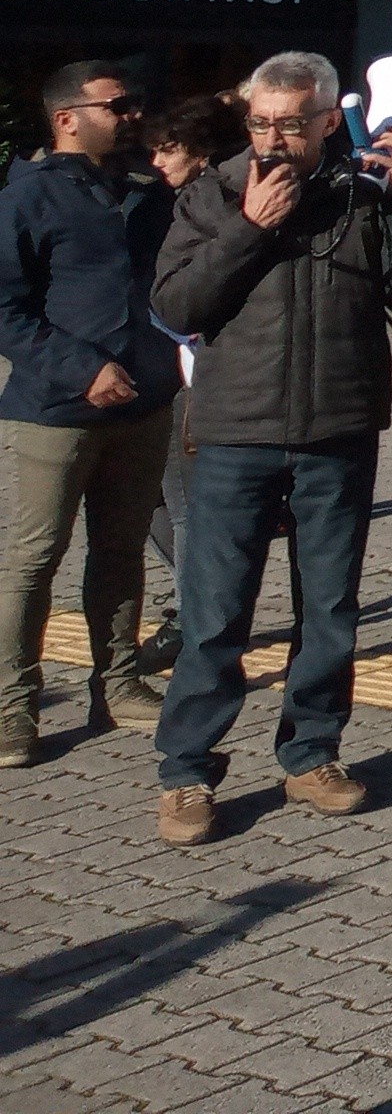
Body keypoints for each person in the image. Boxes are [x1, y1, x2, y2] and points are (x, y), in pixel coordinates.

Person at [149, 52, 392, 846]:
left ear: (325, 121)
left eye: (292, 123)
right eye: (261, 122)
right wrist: (250, 229)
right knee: (215, 614)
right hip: (235, 433)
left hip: (337, 431)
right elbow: (174, 304)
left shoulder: (362, 192)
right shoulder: (212, 194)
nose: (275, 138)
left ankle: (311, 752)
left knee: (331, 609)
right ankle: (186, 770)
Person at [0, 62, 185, 766]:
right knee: (35, 557)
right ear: (67, 118)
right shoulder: (27, 199)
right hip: (57, 411)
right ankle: (13, 706)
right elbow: (6, 311)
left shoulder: (141, 191)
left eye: (136, 103)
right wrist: (84, 368)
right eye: (117, 105)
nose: (133, 115)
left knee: (120, 551)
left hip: (143, 405)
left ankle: (118, 681)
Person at [134, 95, 237, 679]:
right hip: (159, 368)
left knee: (185, 505)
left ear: (200, 151)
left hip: (194, 372)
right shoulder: (170, 201)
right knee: (156, 501)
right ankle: (203, 601)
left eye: (167, 148)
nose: (156, 160)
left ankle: (196, 617)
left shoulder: (217, 203)